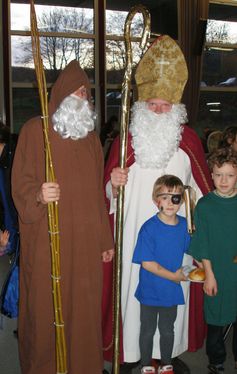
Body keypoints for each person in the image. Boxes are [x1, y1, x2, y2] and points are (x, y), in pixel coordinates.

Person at [102, 35, 213, 374]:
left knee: (172, 297)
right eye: (153, 104)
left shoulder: (189, 142)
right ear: (141, 105)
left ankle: (168, 354)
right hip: (135, 243)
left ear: (177, 107)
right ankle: (135, 351)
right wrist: (113, 185)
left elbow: (203, 193)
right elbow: (106, 197)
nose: (160, 110)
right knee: (136, 299)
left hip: (175, 243)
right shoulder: (124, 143)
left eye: (167, 105)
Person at [11, 60, 114, 374]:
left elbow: (97, 194)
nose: (82, 98)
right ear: (60, 95)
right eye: (76, 92)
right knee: (45, 307)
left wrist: (104, 239)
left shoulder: (91, 140)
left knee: (82, 309)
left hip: (84, 245)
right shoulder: (34, 131)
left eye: (86, 93)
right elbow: (20, 184)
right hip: (48, 242)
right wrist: (40, 195)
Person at [133, 175, 190, 374]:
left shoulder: (185, 226)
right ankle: (146, 364)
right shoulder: (149, 228)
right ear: (156, 199)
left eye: (175, 197)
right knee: (147, 330)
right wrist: (174, 277)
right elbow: (147, 263)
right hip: (150, 290)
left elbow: (194, 250)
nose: (170, 202)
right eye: (164, 197)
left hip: (169, 292)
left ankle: (166, 363)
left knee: (167, 330)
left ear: (181, 200)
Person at [189, 147, 237, 374]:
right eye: (218, 174)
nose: (224, 180)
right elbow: (202, 244)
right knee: (216, 322)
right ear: (211, 175)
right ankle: (216, 361)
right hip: (216, 271)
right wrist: (209, 274)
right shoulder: (205, 206)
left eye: (230, 174)